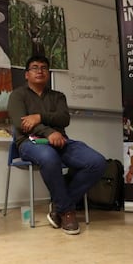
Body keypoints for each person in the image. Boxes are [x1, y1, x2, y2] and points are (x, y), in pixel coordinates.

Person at [7, 55, 107, 235]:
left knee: (97, 162)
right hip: (30, 143)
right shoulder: (18, 95)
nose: (40, 71)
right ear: (26, 74)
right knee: (49, 157)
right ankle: (67, 211)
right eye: (35, 67)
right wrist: (49, 132)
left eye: (44, 68)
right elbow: (20, 123)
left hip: (61, 141)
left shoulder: (58, 96)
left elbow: (64, 118)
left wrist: (39, 117)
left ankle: (59, 204)